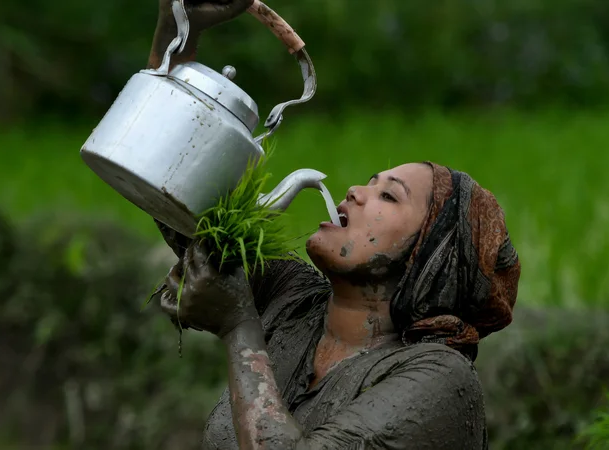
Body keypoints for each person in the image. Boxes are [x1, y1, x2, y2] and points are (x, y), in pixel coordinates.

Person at [149, 2, 521, 449]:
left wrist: (239, 330)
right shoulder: (293, 303)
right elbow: (173, 187)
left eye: (388, 196)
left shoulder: (439, 378)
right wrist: (179, 28)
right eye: (369, 183)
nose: (355, 193)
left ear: (432, 256)